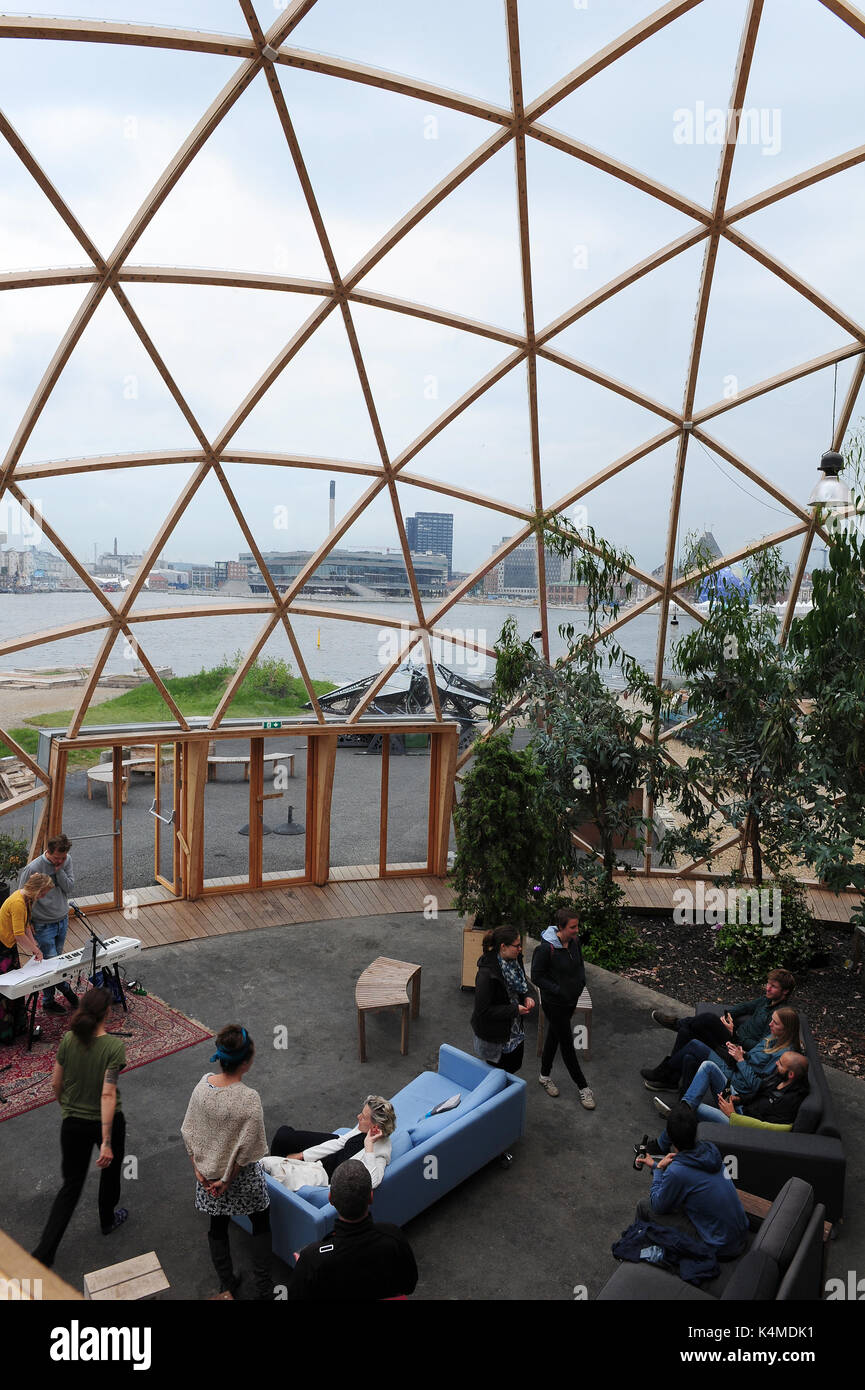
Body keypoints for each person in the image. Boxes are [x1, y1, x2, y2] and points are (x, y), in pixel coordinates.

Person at [32, 987, 128, 1268]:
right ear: (107, 1013)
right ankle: (107, 1219)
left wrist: (67, 1108)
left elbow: (55, 1084)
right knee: (110, 1173)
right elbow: (108, 1094)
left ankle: (44, 1253)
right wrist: (107, 1141)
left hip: (72, 1123)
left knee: (70, 1186)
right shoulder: (114, 1047)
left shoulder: (68, 1039)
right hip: (105, 1123)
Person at [181, 1023, 272, 1300]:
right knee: (261, 1222)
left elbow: (189, 1130)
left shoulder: (202, 1086)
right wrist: (228, 1180)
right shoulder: (249, 1099)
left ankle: (226, 1285)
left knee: (217, 1227)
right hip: (240, 1180)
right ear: (246, 1062)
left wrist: (199, 1171)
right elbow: (249, 1150)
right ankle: (264, 1289)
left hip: (207, 1181)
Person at [649, 1009, 803, 1148]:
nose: (770, 1024)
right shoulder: (773, 1041)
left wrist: (741, 1061)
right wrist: (741, 1053)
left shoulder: (783, 1069)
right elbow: (759, 1091)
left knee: (687, 1107)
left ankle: (668, 1123)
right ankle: (675, 1095)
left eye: (775, 1022)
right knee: (694, 1056)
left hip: (738, 1092)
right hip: (737, 1085)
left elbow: (756, 1088)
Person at [642, 969, 795, 1091]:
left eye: (773, 986)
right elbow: (743, 1008)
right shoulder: (765, 1000)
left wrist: (733, 1033)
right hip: (732, 1036)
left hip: (737, 1045)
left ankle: (677, 1025)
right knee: (686, 1032)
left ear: (785, 991)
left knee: (707, 1018)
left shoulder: (779, 1018)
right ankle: (671, 1079)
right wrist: (728, 1017)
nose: (767, 988)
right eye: (768, 984)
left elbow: (757, 1047)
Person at [287, 1160, 419, 1301]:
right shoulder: (393, 1236)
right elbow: (408, 1285)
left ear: (330, 1199)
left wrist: (308, 1263)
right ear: (371, 1197)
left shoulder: (312, 1258)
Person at [634, 1101, 748, 1260]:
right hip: (739, 1235)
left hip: (720, 1246)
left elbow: (657, 1206)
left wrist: (659, 1170)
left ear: (670, 1138)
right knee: (679, 1198)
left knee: (644, 1206)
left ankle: (636, 1249)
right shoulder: (710, 1150)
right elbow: (690, 1176)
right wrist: (654, 1165)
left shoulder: (677, 1172)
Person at [530, 907, 595, 1109]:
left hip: (570, 1001)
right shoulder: (545, 949)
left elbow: (579, 966)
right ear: (560, 927)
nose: (576, 930)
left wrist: (580, 983)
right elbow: (537, 976)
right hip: (554, 1004)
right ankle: (584, 1088)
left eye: (577, 926)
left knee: (554, 1037)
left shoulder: (574, 942)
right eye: (572, 927)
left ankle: (544, 1076)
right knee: (567, 1045)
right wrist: (558, 990)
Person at [264, 1095, 397, 1192]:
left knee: (273, 1167)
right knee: (284, 1135)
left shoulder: (380, 1152)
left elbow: (372, 1182)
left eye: (363, 1117)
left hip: (325, 1171)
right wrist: (301, 1155)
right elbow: (340, 1142)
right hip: (334, 1150)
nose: (358, 1117)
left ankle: (274, 1190)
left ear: (375, 1127)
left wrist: (369, 1145)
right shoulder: (363, 1129)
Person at [19, 833, 77, 1014]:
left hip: (62, 919)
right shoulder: (33, 868)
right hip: (43, 925)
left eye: (63, 857)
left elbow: (69, 887)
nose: (59, 860)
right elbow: (22, 896)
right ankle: (64, 994)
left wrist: (59, 869)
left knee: (55, 961)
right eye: (56, 858)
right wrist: (28, 922)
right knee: (51, 965)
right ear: (48, 852)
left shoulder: (66, 861)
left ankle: (48, 999)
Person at [470, 925, 535, 1074]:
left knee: (512, 1069)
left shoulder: (515, 959)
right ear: (503, 947)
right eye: (517, 946)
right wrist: (514, 1009)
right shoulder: (486, 975)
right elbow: (483, 1011)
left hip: (514, 1030)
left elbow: (522, 981)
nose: (520, 949)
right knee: (496, 1076)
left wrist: (527, 996)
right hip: (496, 1037)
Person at [0, 872, 52, 1044]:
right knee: (6, 990)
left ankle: (19, 1027)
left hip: (8, 947)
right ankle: (6, 1035)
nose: (44, 896)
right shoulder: (17, 903)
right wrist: (35, 950)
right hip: (2, 949)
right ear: (37, 890)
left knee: (17, 987)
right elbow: (19, 934)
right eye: (43, 893)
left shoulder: (27, 900)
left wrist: (34, 947)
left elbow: (27, 926)